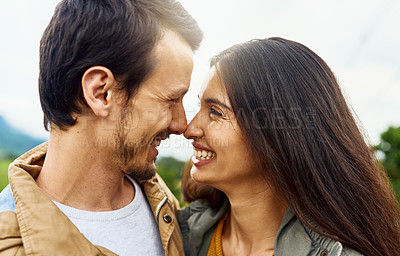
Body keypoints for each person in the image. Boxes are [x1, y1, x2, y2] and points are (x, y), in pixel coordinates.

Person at [0, 0, 202, 255]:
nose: (181, 124)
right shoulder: (10, 245)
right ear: (100, 92)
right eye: (171, 99)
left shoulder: (165, 205)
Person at [178, 37, 400, 256]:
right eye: (199, 106)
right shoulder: (179, 236)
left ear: (277, 136)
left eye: (215, 112)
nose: (190, 129)